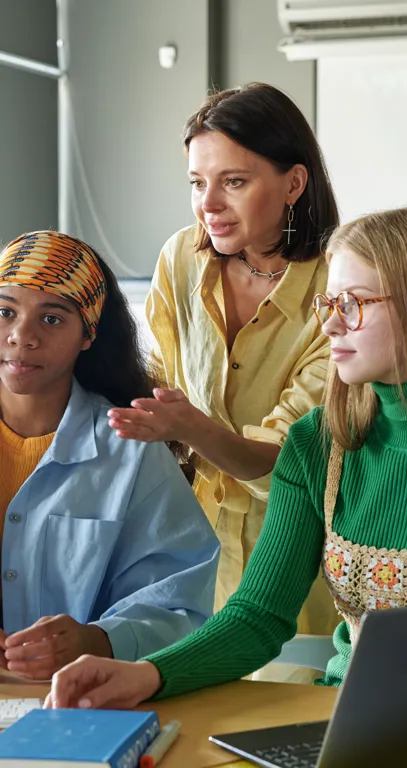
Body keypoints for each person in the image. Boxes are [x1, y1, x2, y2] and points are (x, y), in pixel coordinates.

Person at [45, 205, 407, 709]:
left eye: (353, 305)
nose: (330, 326)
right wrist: (149, 673)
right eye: (329, 304)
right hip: (344, 722)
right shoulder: (316, 442)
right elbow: (258, 617)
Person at [105, 83, 341, 671]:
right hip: (186, 558)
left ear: (293, 182)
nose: (208, 203)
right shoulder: (180, 257)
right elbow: (151, 375)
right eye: (196, 182)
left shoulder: (338, 284)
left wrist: (191, 427)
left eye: (233, 181)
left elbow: (291, 457)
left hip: (294, 566)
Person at [0, 230, 219, 680]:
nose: (22, 337)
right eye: (4, 312)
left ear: (88, 335)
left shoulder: (132, 452)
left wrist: (97, 640)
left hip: (82, 707)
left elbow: (182, 605)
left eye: (53, 319)